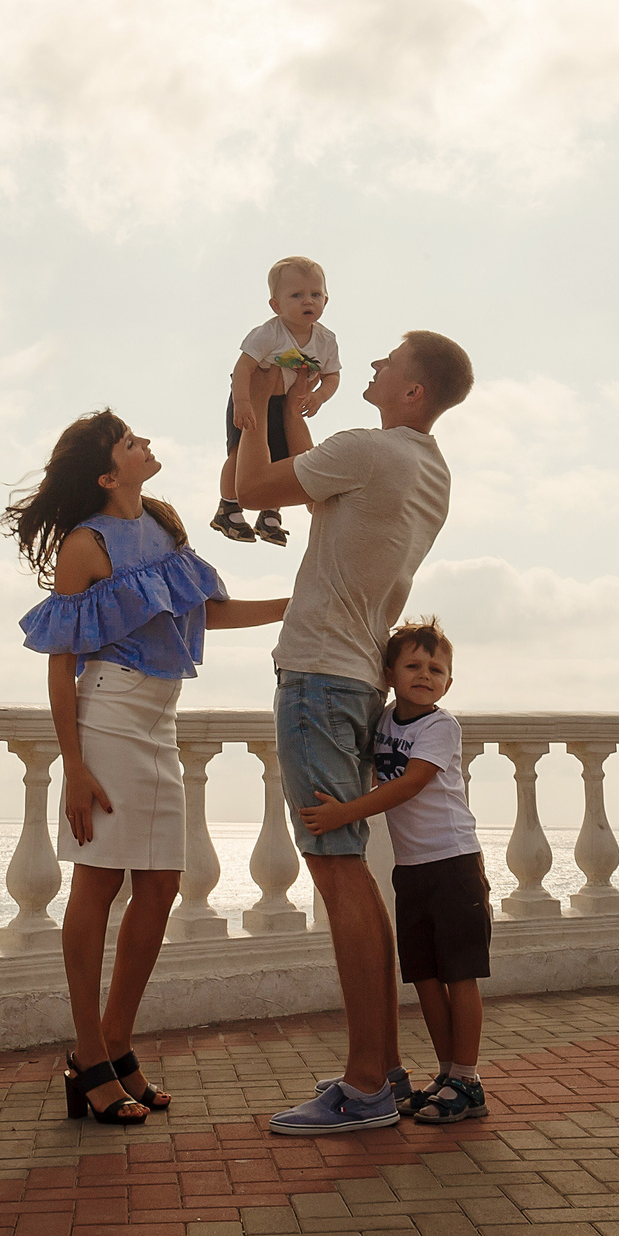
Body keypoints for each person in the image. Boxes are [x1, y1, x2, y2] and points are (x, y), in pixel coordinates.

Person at [4, 410, 289, 1126]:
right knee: (98, 883)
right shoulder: (85, 544)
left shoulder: (162, 522)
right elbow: (61, 662)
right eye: (131, 442)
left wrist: (294, 603)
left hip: (160, 718)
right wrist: (73, 765)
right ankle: (88, 1054)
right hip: (107, 717)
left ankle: (118, 1042)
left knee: (161, 884)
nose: (146, 444)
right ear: (107, 473)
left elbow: (205, 613)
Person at [231, 330, 475, 1134]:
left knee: (339, 879)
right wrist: (299, 415)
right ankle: (383, 1065)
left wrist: (254, 398)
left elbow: (257, 484)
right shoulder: (423, 467)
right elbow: (325, 484)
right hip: (354, 677)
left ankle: (366, 1081)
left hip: (316, 677)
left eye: (388, 361)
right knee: (353, 879)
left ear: (412, 390)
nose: (370, 365)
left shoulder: (372, 450)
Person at [300, 619, 488, 1124]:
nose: (424, 674)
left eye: (436, 668)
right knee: (425, 978)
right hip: (412, 870)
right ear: (389, 673)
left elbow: (410, 784)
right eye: (413, 665)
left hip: (453, 866)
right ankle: (447, 1074)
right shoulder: (383, 721)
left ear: (448, 681)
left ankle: (468, 1079)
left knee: (460, 976)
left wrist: (345, 812)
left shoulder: (440, 726)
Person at [213, 256, 340, 548]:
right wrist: (243, 402)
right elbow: (244, 368)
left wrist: (319, 396)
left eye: (315, 294)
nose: (307, 301)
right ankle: (228, 506)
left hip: (285, 402)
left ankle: (270, 513)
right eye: (296, 295)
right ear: (277, 305)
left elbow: (332, 376)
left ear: (326, 300)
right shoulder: (269, 333)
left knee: (279, 459)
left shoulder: (326, 341)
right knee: (240, 452)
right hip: (253, 398)